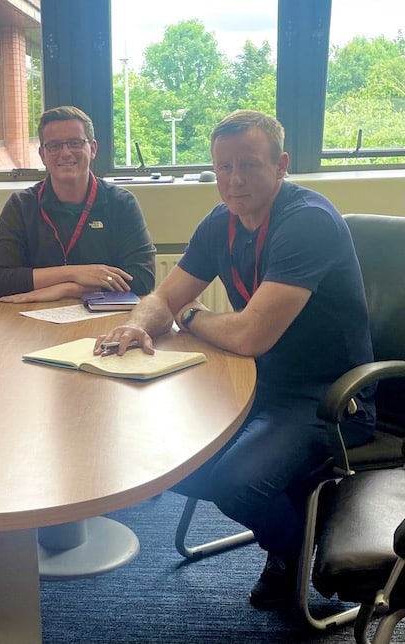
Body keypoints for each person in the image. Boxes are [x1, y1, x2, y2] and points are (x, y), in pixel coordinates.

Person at [94, 110, 376, 610]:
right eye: (224, 167)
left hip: (328, 396)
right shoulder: (220, 222)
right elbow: (163, 297)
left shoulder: (307, 221)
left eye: (248, 165)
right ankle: (294, 505)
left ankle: (291, 551)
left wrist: (191, 314)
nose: (234, 180)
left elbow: (250, 336)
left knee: (234, 483)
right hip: (252, 382)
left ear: (281, 165)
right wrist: (140, 322)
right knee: (162, 460)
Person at [0, 105, 156, 302]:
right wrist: (72, 273)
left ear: (93, 149)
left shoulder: (121, 203)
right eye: (54, 146)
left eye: (75, 143)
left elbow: (142, 278)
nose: (65, 153)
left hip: (105, 319)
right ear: (42, 154)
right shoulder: (21, 205)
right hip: (33, 320)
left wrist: (67, 290)